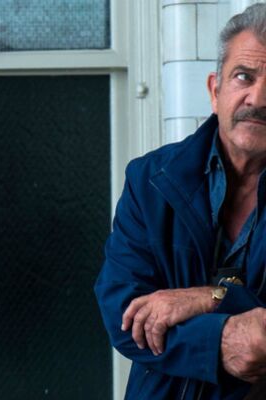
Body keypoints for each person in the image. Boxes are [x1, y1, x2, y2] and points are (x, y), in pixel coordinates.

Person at [94, 3, 266, 399]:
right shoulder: (150, 179)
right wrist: (225, 338)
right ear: (215, 91)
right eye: (244, 76)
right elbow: (124, 314)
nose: (258, 97)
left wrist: (210, 298)